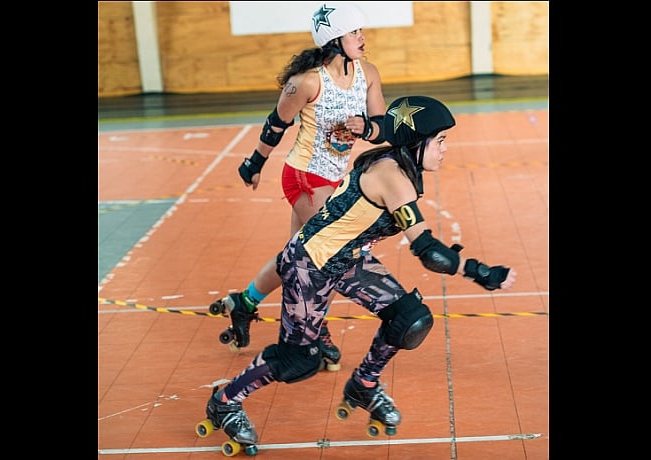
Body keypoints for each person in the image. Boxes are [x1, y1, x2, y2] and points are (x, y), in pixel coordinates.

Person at [198, 95, 517, 452]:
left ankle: (363, 384)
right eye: (440, 141)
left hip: (347, 259)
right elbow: (430, 253)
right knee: (298, 359)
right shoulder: (391, 176)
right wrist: (481, 272)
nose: (445, 150)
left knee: (409, 318)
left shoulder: (395, 164)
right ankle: (225, 400)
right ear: (417, 142)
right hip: (311, 265)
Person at [210, 2, 387, 371]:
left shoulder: (367, 73)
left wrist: (366, 129)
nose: (362, 37)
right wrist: (254, 163)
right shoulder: (307, 81)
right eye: (354, 32)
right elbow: (276, 124)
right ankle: (313, 331)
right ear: (334, 39)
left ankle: (244, 302)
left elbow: (381, 124)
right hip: (305, 176)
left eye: (360, 32)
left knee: (295, 256)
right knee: (325, 255)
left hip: (338, 178)